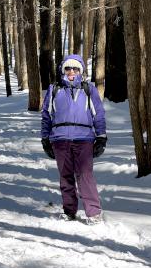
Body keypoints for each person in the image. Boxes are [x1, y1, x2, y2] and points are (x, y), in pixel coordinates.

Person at [41, 54, 107, 224]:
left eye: (75, 68)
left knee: (85, 175)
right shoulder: (54, 89)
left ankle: (93, 213)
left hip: (84, 139)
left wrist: (101, 136)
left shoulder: (88, 89)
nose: (71, 71)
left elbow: (98, 114)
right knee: (66, 176)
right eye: (68, 68)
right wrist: (45, 139)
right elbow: (46, 116)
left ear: (81, 71)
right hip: (60, 139)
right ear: (63, 70)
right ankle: (69, 211)